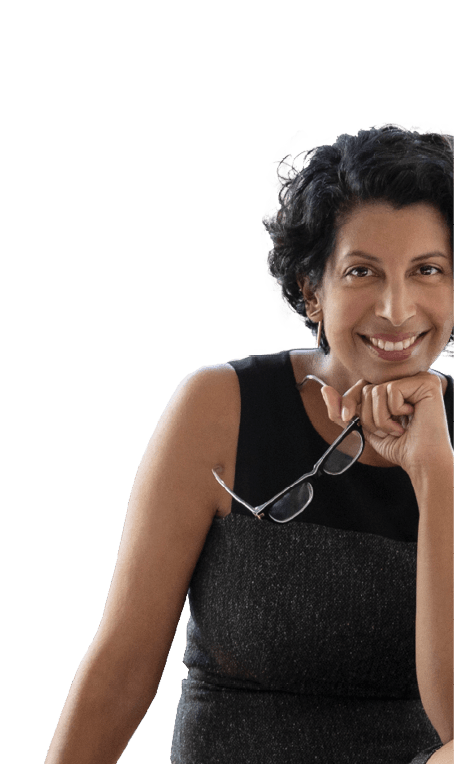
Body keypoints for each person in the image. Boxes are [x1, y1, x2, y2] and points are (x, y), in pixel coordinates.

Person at [44, 123, 454, 764]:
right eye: (361, 272)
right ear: (313, 290)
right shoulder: (221, 409)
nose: (397, 309)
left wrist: (436, 475)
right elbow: (121, 667)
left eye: (428, 270)